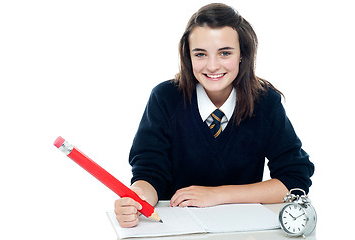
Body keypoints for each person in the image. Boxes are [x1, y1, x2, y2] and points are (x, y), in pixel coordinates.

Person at [114, 3, 314, 228]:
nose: (212, 66)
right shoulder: (165, 98)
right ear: (188, 57)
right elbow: (149, 171)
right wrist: (138, 197)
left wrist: (217, 195)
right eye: (200, 54)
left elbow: (294, 179)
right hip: (176, 225)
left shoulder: (265, 101)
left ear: (242, 55)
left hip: (242, 228)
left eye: (225, 53)